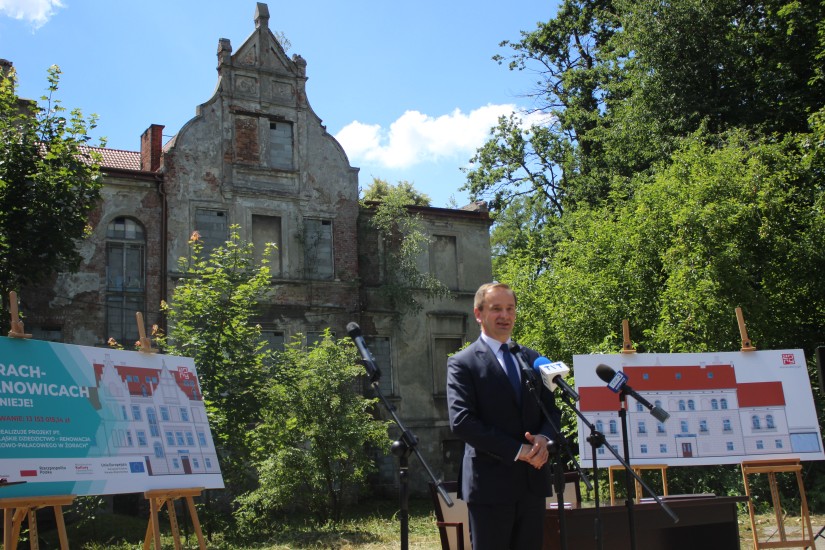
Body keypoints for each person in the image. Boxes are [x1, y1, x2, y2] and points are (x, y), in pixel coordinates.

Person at [447, 282, 562, 550]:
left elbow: (551, 411)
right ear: (478, 314)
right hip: (490, 487)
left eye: (510, 309)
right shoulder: (463, 363)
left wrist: (544, 439)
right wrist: (519, 450)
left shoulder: (532, 359)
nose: (505, 316)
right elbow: (462, 422)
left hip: (532, 484)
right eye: (496, 308)